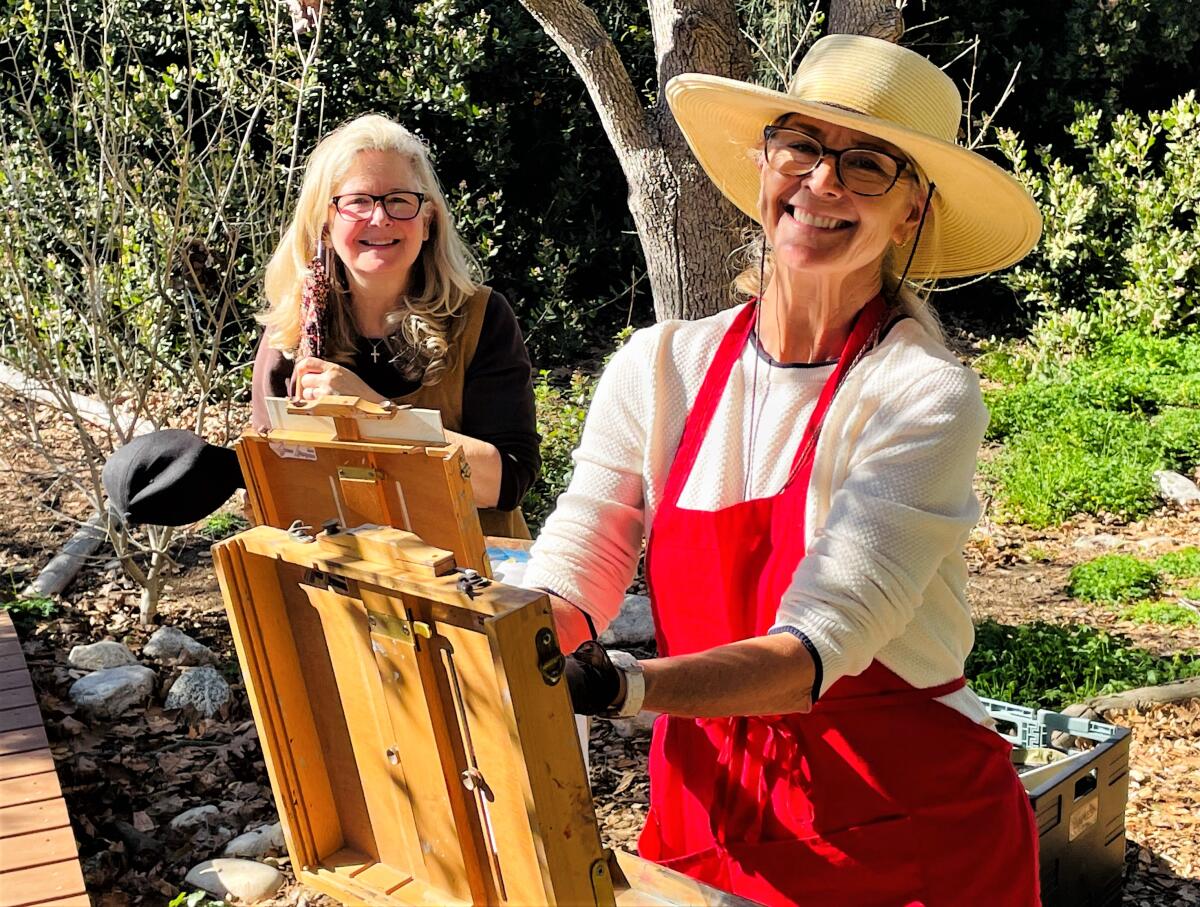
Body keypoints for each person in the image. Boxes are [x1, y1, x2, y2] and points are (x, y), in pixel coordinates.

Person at [530, 36, 1043, 906]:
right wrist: (514, 633)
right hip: (707, 805)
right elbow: (584, 553)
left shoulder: (922, 393)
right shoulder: (661, 367)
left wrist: (624, 685)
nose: (823, 181)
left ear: (911, 214)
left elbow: (819, 645)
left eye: (868, 164)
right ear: (765, 162)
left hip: (903, 822)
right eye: (800, 145)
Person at [253, 114, 539, 538]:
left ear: (428, 221)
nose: (380, 218)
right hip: (343, 585)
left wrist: (372, 411)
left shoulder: (481, 318)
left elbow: (506, 482)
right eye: (358, 201)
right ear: (325, 225)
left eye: (400, 200)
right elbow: (275, 490)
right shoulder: (290, 334)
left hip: (471, 583)